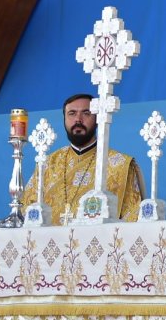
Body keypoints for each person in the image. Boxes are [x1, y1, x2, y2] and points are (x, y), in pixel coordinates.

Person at [21, 94, 144, 223]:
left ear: (97, 118)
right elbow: (26, 213)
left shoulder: (120, 165)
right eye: (72, 113)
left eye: (86, 113)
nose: (78, 119)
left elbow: (132, 217)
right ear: (64, 119)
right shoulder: (47, 164)